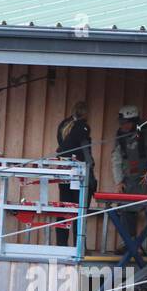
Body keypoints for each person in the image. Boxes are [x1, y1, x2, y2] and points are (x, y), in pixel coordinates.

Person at [112, 104, 147, 251]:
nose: (122, 126)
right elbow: (116, 159)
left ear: (134, 121)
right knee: (124, 208)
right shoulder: (120, 136)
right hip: (129, 179)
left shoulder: (146, 133)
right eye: (121, 123)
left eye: (125, 123)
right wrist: (118, 181)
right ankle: (129, 242)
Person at [54, 101, 97, 248]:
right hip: (78, 174)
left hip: (64, 173)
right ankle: (79, 246)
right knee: (80, 210)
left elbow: (62, 146)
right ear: (86, 113)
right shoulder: (82, 127)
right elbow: (85, 152)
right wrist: (91, 169)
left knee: (65, 209)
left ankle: (61, 245)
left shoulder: (64, 125)